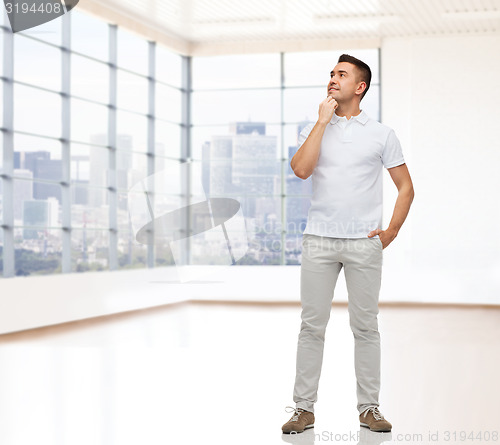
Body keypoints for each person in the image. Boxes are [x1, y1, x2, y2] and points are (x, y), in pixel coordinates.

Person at [282, 54, 414, 434]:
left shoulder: (381, 134)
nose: (332, 80)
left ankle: (369, 409)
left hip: (363, 245)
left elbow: (406, 187)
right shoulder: (318, 127)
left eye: (341, 75)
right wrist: (322, 122)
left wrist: (391, 231)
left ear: (360, 87)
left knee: (366, 328)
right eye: (331, 74)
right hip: (319, 241)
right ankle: (302, 409)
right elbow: (301, 170)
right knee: (311, 327)